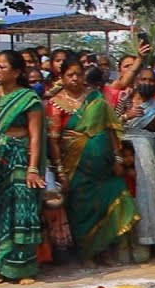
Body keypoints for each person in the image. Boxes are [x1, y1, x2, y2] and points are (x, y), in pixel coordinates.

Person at [46, 63, 139, 264]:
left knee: (108, 198)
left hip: (103, 165)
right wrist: (60, 171)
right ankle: (87, 252)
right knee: (82, 207)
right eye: (70, 74)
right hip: (74, 165)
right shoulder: (55, 103)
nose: (74, 78)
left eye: (78, 74)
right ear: (61, 77)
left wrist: (118, 157)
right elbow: (53, 140)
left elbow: (111, 128)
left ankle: (103, 250)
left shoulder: (96, 99)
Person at [0, 51, 46, 283]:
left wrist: (33, 168)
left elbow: (35, 136)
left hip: (19, 157)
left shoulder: (28, 98)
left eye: (2, 66)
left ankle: (22, 268)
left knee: (22, 210)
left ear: (17, 71)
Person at [121, 67, 155, 252]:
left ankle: (150, 238)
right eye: (143, 79)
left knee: (150, 192)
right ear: (136, 80)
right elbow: (110, 123)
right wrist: (127, 116)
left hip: (148, 153)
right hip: (124, 154)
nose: (147, 83)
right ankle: (126, 241)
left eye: (150, 80)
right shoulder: (124, 100)